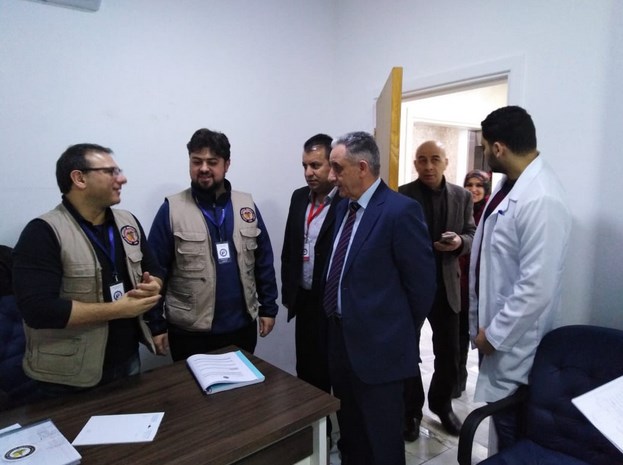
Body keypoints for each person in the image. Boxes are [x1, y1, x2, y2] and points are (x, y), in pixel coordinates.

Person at [12, 143, 163, 397]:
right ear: (79, 178)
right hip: (67, 377)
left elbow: (155, 269)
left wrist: (154, 284)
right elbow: (37, 310)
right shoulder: (42, 232)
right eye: (111, 172)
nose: (122, 179)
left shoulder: (127, 222)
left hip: (127, 361)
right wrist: (118, 310)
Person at [324, 131, 436, 465]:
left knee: (382, 444)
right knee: (351, 437)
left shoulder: (401, 211)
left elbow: (422, 287)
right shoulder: (342, 207)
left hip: (381, 354)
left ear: (362, 167)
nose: (331, 176)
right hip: (341, 342)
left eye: (337, 168)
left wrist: (394, 333)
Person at [469, 106, 572, 449]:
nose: (485, 153)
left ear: (499, 148)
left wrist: (494, 336)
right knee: (502, 425)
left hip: (514, 344)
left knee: (513, 430)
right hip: (495, 335)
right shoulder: (509, 185)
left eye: (485, 147)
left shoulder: (541, 197)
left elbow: (536, 286)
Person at [148, 128, 279, 361]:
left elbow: (263, 261)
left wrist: (268, 308)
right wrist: (156, 324)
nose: (204, 168)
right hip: (189, 332)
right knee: (190, 386)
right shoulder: (171, 210)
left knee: (244, 384)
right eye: (196, 161)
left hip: (242, 327)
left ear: (226, 164)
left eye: (212, 162)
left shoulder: (246, 206)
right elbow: (155, 271)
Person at [398, 140, 476, 439]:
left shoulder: (462, 196)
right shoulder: (402, 195)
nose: (428, 166)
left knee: (449, 352)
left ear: (446, 162)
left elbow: (471, 233)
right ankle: (411, 412)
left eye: (435, 159)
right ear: (415, 164)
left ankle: (442, 405)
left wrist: (458, 243)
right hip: (411, 286)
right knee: (408, 352)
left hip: (447, 285)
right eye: (422, 159)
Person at [281, 134, 342, 421]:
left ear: (332, 165)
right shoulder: (298, 197)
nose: (308, 173)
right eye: (304, 166)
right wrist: (288, 293)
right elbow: (289, 249)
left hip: (332, 306)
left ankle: (342, 433)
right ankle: (317, 432)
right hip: (304, 301)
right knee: (307, 372)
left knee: (335, 372)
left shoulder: (345, 202)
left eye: (315, 165)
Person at [457, 169, 491, 397]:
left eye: (479, 185)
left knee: (483, 338)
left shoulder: (492, 212)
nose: (473, 189)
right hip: (460, 286)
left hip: (483, 288)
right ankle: (457, 383)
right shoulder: (460, 209)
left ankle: (487, 390)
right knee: (457, 340)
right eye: (469, 184)